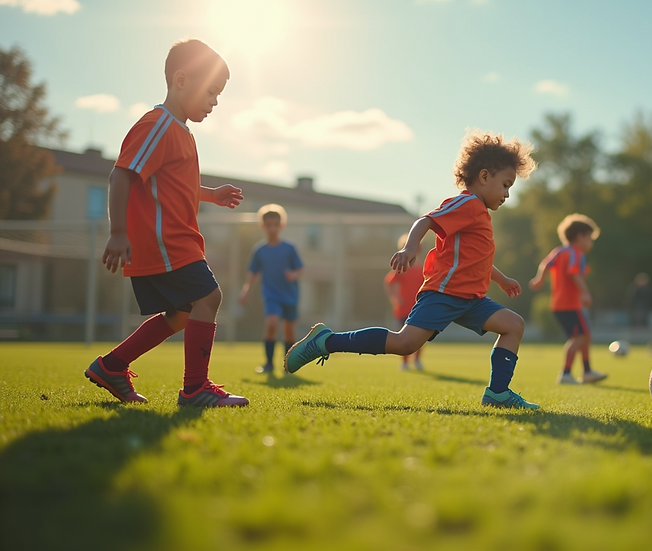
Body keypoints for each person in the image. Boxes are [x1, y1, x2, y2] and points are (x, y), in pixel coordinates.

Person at [285, 130, 539, 409]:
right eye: (505, 185)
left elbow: (476, 260)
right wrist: (410, 248)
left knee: (513, 325)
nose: (506, 194)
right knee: (404, 344)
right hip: (444, 294)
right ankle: (327, 341)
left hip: (471, 299)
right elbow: (425, 221)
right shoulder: (466, 203)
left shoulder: (479, 213)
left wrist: (501, 280)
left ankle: (498, 393)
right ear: (484, 176)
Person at [84, 39, 248, 407]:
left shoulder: (181, 131)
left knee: (180, 315)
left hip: (177, 241)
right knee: (210, 297)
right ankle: (195, 389)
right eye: (211, 91)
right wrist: (117, 232)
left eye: (219, 94)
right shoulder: (157, 125)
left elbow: (174, 185)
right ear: (180, 80)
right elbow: (121, 176)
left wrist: (212, 194)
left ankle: (111, 366)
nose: (215, 101)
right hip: (166, 241)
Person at [529, 214, 607, 385]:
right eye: (590, 238)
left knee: (583, 335)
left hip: (558, 304)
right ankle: (566, 373)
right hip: (570, 304)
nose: (591, 243)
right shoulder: (576, 253)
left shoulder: (559, 251)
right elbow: (574, 273)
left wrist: (539, 279)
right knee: (580, 336)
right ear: (580, 237)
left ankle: (587, 371)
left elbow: (545, 264)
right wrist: (585, 292)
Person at [238, 204, 304, 373]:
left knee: (289, 332)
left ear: (281, 225)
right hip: (271, 294)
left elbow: (300, 268)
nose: (272, 228)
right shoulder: (260, 250)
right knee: (272, 323)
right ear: (263, 226)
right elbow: (253, 273)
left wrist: (293, 275)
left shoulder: (289, 248)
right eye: (269, 225)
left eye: (276, 224)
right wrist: (246, 291)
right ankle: (268, 364)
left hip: (290, 295)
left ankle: (288, 365)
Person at [383, 233, 426, 371]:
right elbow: (389, 283)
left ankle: (417, 360)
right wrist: (394, 297)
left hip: (418, 308)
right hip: (403, 308)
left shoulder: (424, 270)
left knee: (420, 337)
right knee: (403, 337)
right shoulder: (403, 268)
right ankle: (405, 362)